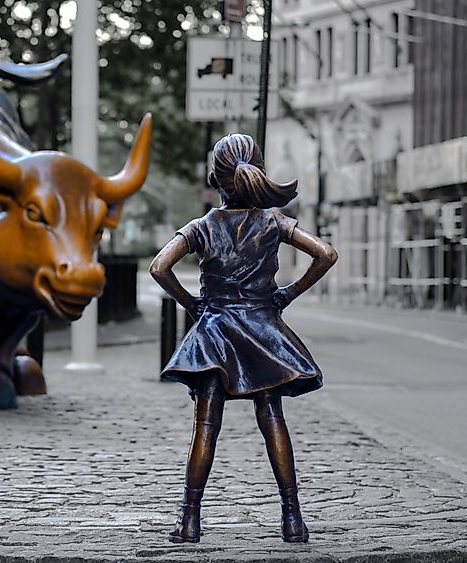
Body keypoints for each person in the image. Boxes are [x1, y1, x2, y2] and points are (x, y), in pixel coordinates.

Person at [149, 133, 337, 544]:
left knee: (205, 426)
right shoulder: (273, 222)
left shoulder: (202, 227)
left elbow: (160, 267)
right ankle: (292, 519)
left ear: (216, 179)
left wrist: (193, 304)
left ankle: (189, 520)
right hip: (262, 331)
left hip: (215, 331)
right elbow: (325, 254)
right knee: (272, 420)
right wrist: (285, 294)